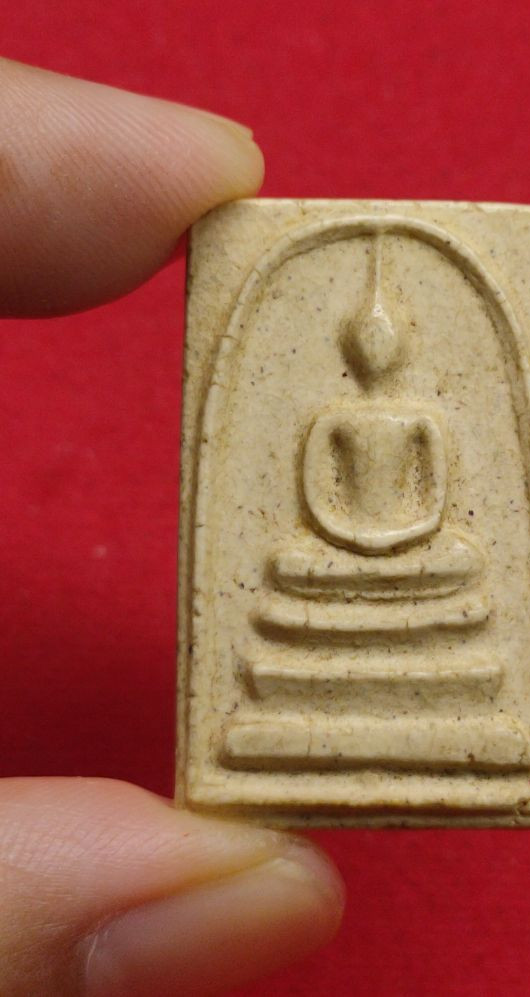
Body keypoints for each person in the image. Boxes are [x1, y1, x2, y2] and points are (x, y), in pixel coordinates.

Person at [0, 58, 344, 996]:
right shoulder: (334, 418)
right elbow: (316, 492)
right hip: (328, 555)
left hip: (394, 558)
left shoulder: (409, 418)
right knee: (291, 564)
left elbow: (425, 505)